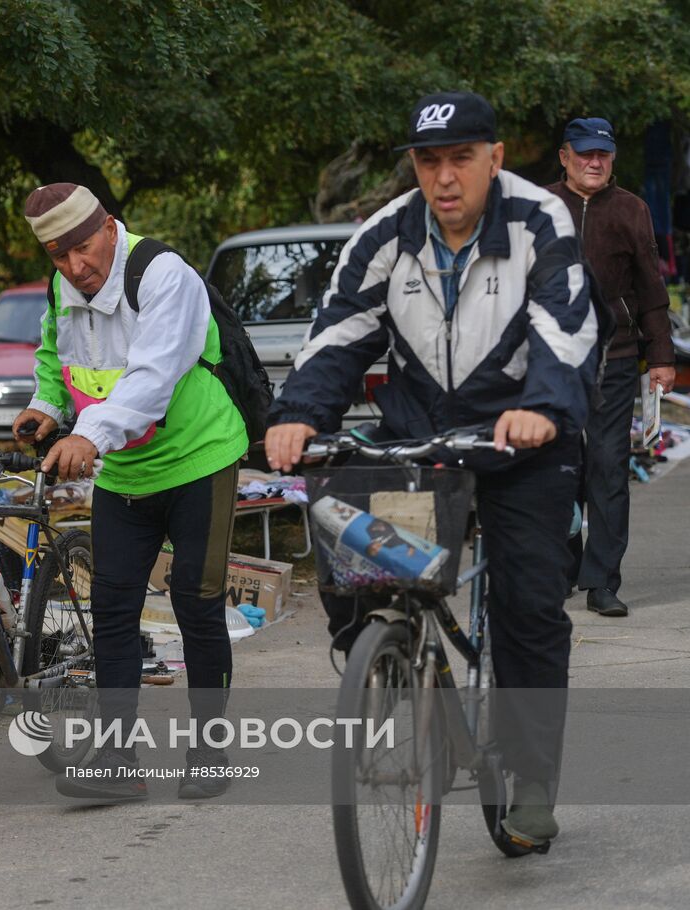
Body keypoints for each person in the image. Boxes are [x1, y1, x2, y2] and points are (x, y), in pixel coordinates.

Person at [266, 92, 599, 848]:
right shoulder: (386, 233)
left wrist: (543, 406)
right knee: (350, 549)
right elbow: (340, 333)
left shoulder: (539, 222)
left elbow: (564, 325)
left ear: (495, 158)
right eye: (428, 161)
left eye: (460, 159)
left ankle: (533, 778)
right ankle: (383, 664)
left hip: (524, 440)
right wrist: (297, 414)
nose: (444, 179)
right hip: (421, 436)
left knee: (528, 604)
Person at [11, 183, 249, 801]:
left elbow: (151, 378)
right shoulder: (63, 287)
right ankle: (117, 756)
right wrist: (46, 406)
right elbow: (54, 358)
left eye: (83, 249)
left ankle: (210, 749)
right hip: (125, 472)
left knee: (198, 608)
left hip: (199, 460)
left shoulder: (165, 276)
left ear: (110, 227)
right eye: (58, 257)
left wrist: (88, 435)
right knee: (113, 612)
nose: (75, 268)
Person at [545, 117, 675, 618]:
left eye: (602, 154)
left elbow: (651, 289)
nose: (594, 162)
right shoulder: (539, 206)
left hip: (614, 357)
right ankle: (561, 565)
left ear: (612, 158)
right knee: (556, 467)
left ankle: (602, 580)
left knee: (606, 467)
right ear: (564, 157)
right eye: (584, 154)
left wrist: (660, 358)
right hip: (550, 359)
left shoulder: (631, 210)